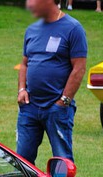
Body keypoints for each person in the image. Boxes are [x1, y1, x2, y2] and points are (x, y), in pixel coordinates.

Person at [16, 0, 87, 165]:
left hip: (57, 108)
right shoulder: (32, 29)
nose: (30, 4)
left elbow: (79, 68)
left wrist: (64, 101)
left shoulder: (73, 28)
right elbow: (24, 64)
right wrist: (21, 89)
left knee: (62, 160)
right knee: (22, 160)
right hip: (30, 107)